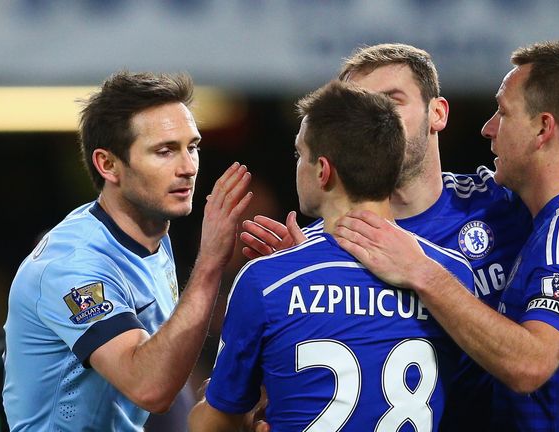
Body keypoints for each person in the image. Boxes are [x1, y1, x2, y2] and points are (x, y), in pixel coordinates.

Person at [238, 43, 559, 429]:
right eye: (358, 108)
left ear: (438, 114)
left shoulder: (503, 201)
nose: (375, 120)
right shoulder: (320, 247)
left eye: (391, 102)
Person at [334, 40, 559, 430]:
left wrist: (422, 271)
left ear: (544, 127)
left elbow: (530, 364)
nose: (488, 128)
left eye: (503, 113)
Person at [188, 80, 475, 431]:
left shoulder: (266, 280)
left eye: (299, 154)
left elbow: (213, 424)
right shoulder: (453, 274)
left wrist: (224, 405)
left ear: (323, 171)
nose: (297, 165)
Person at [2, 71, 253, 431]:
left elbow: (165, 371)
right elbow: (149, 387)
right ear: (108, 165)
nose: (187, 168)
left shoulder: (150, 235)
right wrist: (212, 260)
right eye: (165, 151)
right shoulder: (74, 265)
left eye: (192, 147)